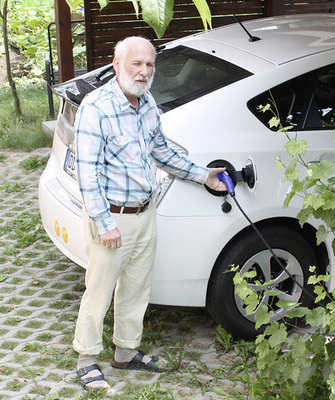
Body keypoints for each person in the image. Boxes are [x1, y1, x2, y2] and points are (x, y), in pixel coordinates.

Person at [73, 36, 226, 390]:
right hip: (112, 218)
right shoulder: (96, 108)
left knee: (136, 289)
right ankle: (86, 358)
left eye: (149, 65)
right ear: (116, 64)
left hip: (145, 213)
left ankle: (125, 353)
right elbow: (86, 173)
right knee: (99, 290)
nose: (143, 72)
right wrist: (104, 223)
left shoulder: (146, 102)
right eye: (136, 64)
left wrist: (204, 175)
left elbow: (161, 151)